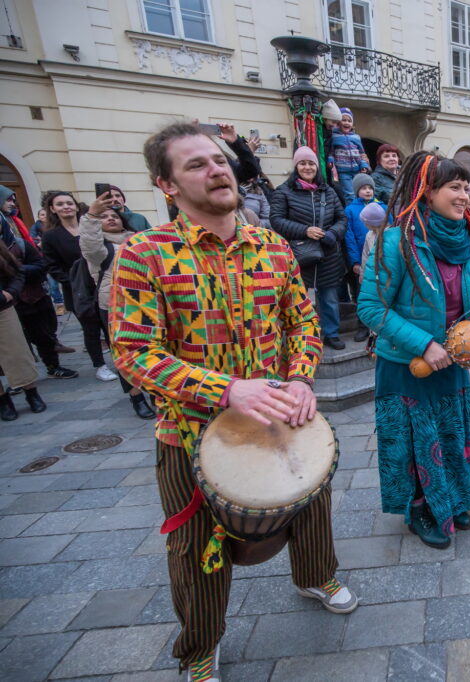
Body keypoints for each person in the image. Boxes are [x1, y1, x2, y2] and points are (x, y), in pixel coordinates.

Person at [109, 121, 357, 681]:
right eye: (195, 164)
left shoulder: (271, 245)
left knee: (313, 507)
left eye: (219, 159)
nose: (217, 169)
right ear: (166, 185)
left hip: (282, 419)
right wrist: (225, 390)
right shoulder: (145, 253)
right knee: (195, 549)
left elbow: (303, 323)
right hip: (193, 435)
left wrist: (300, 380)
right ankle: (199, 648)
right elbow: (133, 352)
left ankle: (316, 575)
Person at [357, 150, 470, 549]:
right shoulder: (395, 240)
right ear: (427, 192)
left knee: (450, 434)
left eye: (467, 188)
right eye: (454, 188)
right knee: (419, 441)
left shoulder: (467, 236)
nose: (466, 196)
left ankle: (452, 498)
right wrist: (424, 344)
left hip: (450, 362)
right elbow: (370, 307)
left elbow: (469, 293)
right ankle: (420, 508)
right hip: (408, 365)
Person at [78, 194, 157, 419]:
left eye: (114, 215)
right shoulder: (98, 247)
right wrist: (91, 215)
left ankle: (154, 390)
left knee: (153, 348)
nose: (110, 219)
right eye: (104, 217)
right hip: (114, 305)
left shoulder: (139, 239)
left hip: (148, 302)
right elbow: (89, 242)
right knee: (125, 351)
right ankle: (136, 397)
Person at [270, 146, 348, 351]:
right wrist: (305, 230)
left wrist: (332, 234)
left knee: (330, 298)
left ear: (317, 167)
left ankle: (331, 333)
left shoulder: (329, 192)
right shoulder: (283, 191)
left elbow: (342, 218)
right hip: (299, 254)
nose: (307, 167)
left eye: (311, 163)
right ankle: (303, 336)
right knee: (298, 299)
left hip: (328, 254)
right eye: (303, 163)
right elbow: (276, 220)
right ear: (296, 167)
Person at [40, 190, 119, 381]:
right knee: (90, 327)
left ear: (76, 206)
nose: (66, 207)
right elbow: (52, 266)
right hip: (77, 289)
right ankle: (99, 365)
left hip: (101, 283)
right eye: (60, 204)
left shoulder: (93, 226)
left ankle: (119, 361)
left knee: (111, 325)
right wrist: (74, 280)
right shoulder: (51, 236)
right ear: (52, 209)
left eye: (69, 203)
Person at [0, 187, 77, 379]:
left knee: (44, 333)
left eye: (13, 200)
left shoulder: (20, 243)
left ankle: (52, 366)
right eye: (8, 199)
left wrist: (16, 271)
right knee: (15, 342)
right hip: (7, 300)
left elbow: (41, 265)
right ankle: (19, 379)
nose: (12, 203)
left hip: (32, 294)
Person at [0, 241, 48, 420]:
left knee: (17, 352)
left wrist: (10, 292)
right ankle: (3, 401)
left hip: (2, 308)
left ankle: (31, 392)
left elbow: (17, 271)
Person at [344, 173, 384, 344]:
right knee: (363, 296)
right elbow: (349, 237)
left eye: (370, 188)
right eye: (363, 188)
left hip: (383, 267)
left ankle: (380, 328)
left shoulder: (382, 206)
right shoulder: (350, 210)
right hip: (363, 264)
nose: (368, 191)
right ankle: (362, 327)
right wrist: (355, 262)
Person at [324, 101, 371, 205]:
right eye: (343, 120)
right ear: (338, 123)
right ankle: (351, 211)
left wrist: (364, 165)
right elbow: (331, 151)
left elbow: (361, 153)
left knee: (359, 191)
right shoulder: (334, 136)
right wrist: (330, 161)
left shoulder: (356, 137)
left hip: (357, 169)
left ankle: (361, 209)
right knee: (349, 194)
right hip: (343, 171)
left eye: (349, 121)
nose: (346, 123)